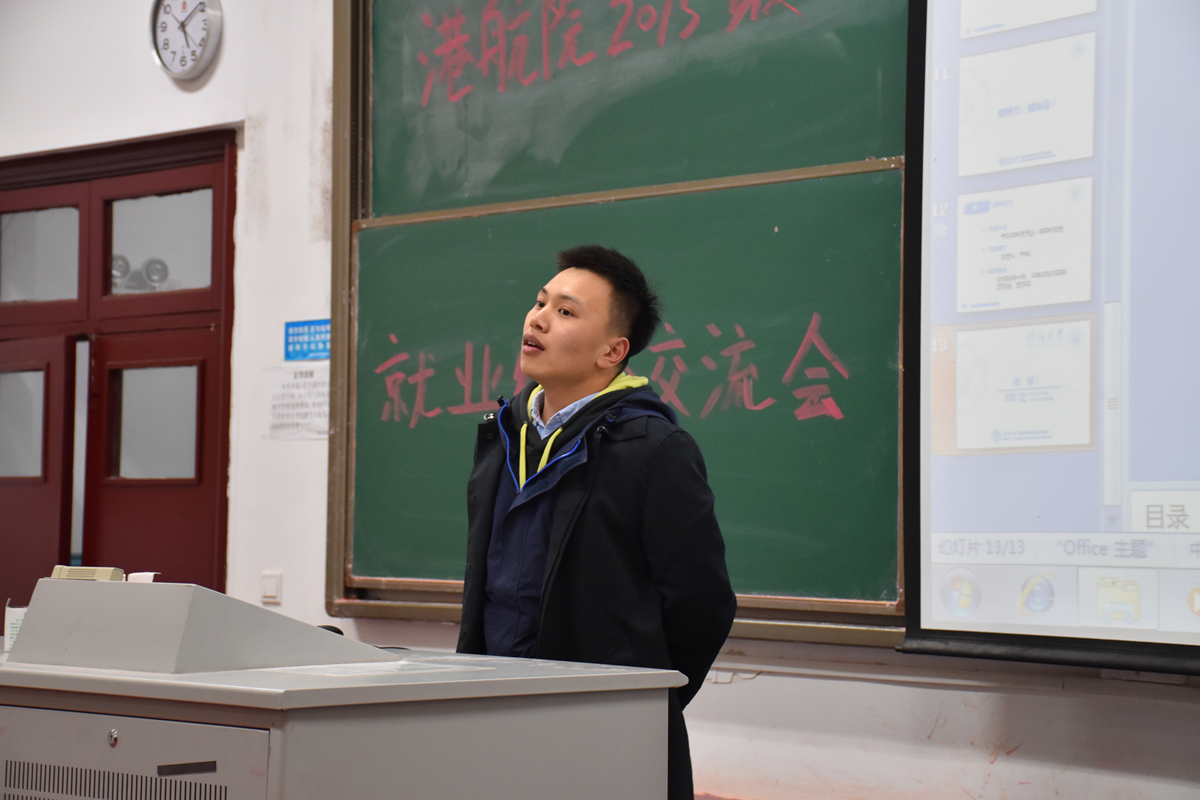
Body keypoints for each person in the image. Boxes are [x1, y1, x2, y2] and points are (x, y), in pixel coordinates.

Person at [457, 244, 737, 800]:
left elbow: (701, 602)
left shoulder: (653, 448)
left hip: (603, 728)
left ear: (614, 350)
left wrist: (641, 697)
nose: (538, 319)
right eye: (540, 302)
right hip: (493, 714)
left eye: (565, 311)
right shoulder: (504, 435)